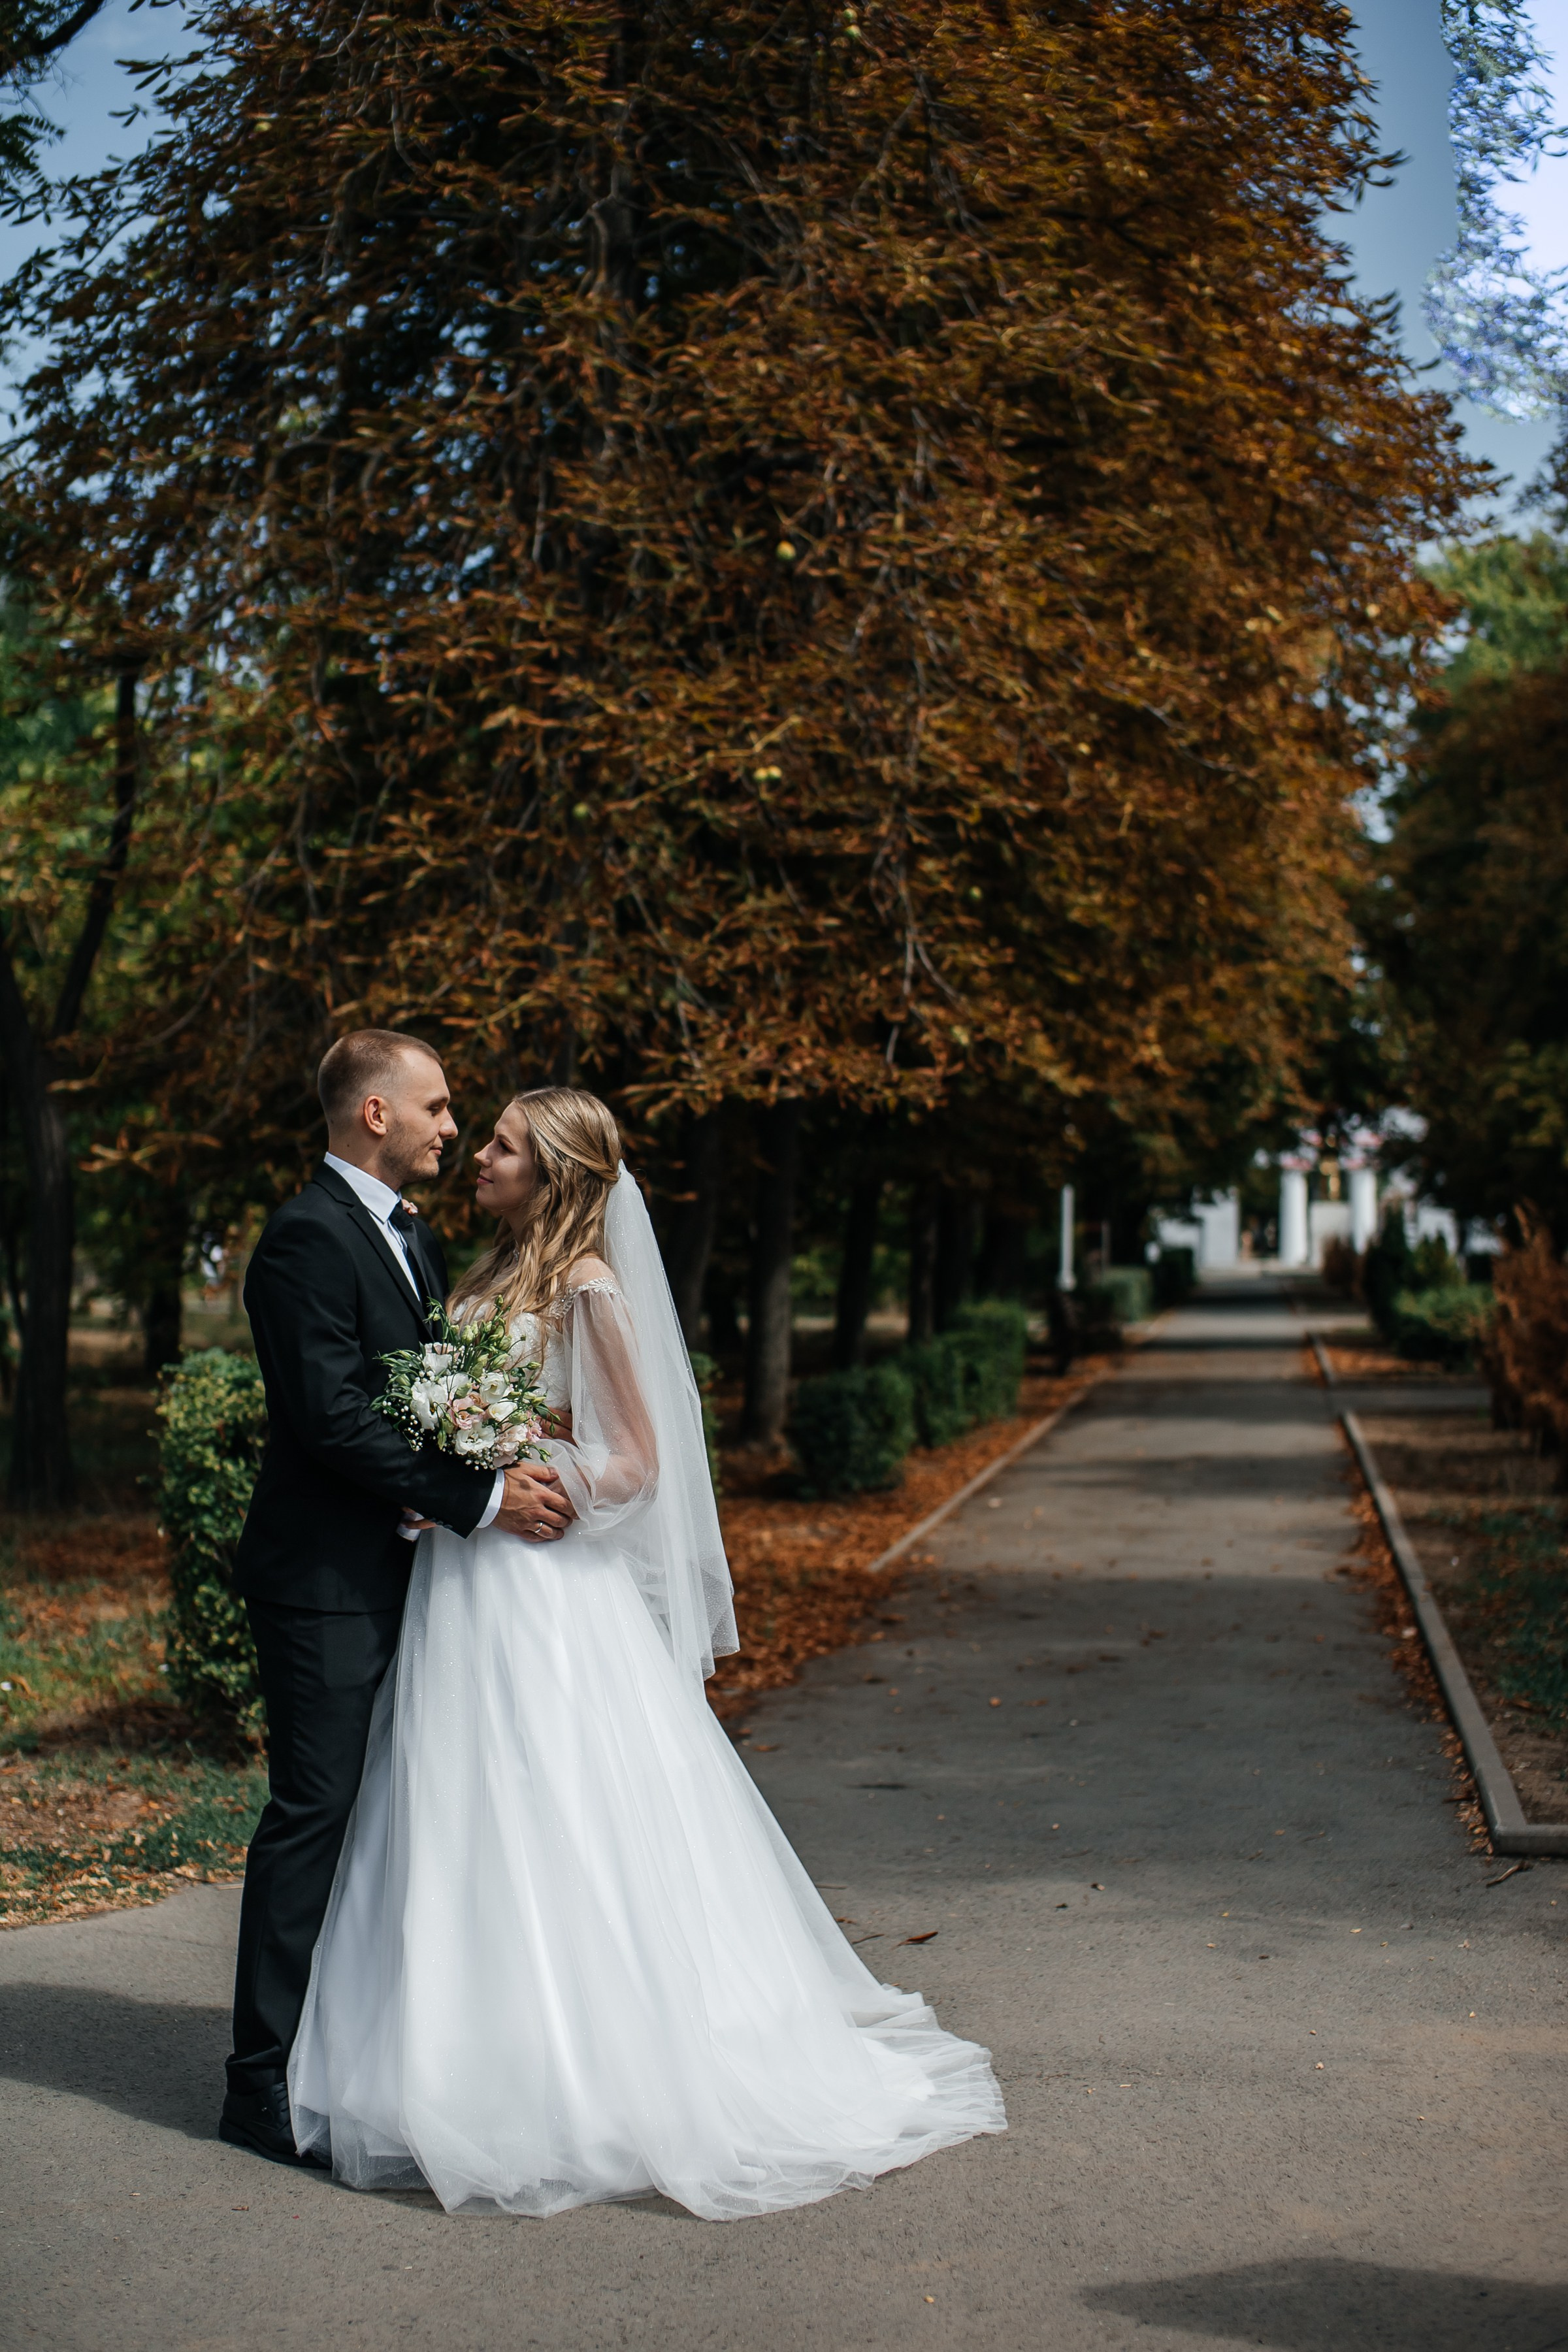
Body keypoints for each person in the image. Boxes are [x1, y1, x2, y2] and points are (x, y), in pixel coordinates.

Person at [288, 1085, 1005, 2219]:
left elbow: (636, 1467)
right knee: (453, 1806)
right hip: (463, 1576)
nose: (479, 1152)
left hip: (543, 1586)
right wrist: (454, 1484)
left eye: (505, 1145)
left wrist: (529, 1468)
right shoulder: (478, 1273)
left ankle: (596, 2069)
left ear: (557, 1171)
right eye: (478, 1136)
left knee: (558, 1811)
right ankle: (452, 2054)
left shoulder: (589, 1284)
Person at [220, 1032, 576, 2168]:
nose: (450, 1128)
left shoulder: (408, 1238)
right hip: (323, 1586)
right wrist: (473, 1496)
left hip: (401, 1569)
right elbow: (328, 1418)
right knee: (314, 1817)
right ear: (374, 1114)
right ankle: (259, 2086)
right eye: (435, 1107)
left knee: (384, 1822)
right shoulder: (302, 1241)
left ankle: (353, 2054)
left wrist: (458, 1482)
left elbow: (411, 1400)